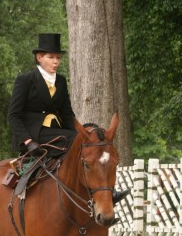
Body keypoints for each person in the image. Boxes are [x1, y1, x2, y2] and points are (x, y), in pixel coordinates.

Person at [8, 33, 129, 204]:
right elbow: (13, 116)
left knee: (91, 141)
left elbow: (66, 114)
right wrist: (27, 141)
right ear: (39, 57)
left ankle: (108, 191)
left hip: (58, 131)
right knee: (77, 141)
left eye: (58, 57)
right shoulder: (26, 80)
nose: (56, 61)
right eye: (51, 57)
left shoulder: (61, 81)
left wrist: (84, 131)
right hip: (33, 135)